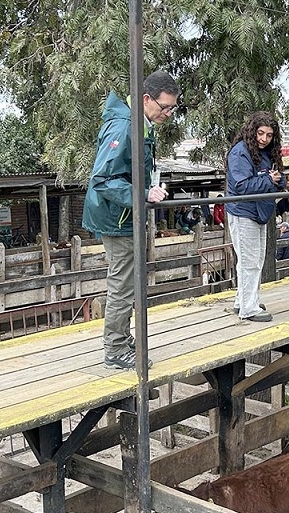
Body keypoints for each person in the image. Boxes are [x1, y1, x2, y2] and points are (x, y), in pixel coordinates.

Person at [83, 70, 180, 370]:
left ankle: (124, 342)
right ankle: (114, 349)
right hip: (117, 217)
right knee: (122, 285)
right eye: (165, 107)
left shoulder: (140, 124)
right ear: (146, 99)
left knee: (128, 283)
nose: (168, 114)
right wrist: (142, 194)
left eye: (172, 108)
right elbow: (103, 179)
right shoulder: (126, 126)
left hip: (126, 215)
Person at [225, 111, 286, 322]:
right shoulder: (240, 152)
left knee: (255, 260)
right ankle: (248, 309)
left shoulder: (268, 152)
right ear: (252, 131)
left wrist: (276, 180)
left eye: (269, 135)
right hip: (243, 212)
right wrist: (270, 180)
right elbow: (242, 186)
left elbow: (280, 179)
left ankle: (243, 300)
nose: (264, 139)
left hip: (260, 212)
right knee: (249, 261)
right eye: (261, 133)